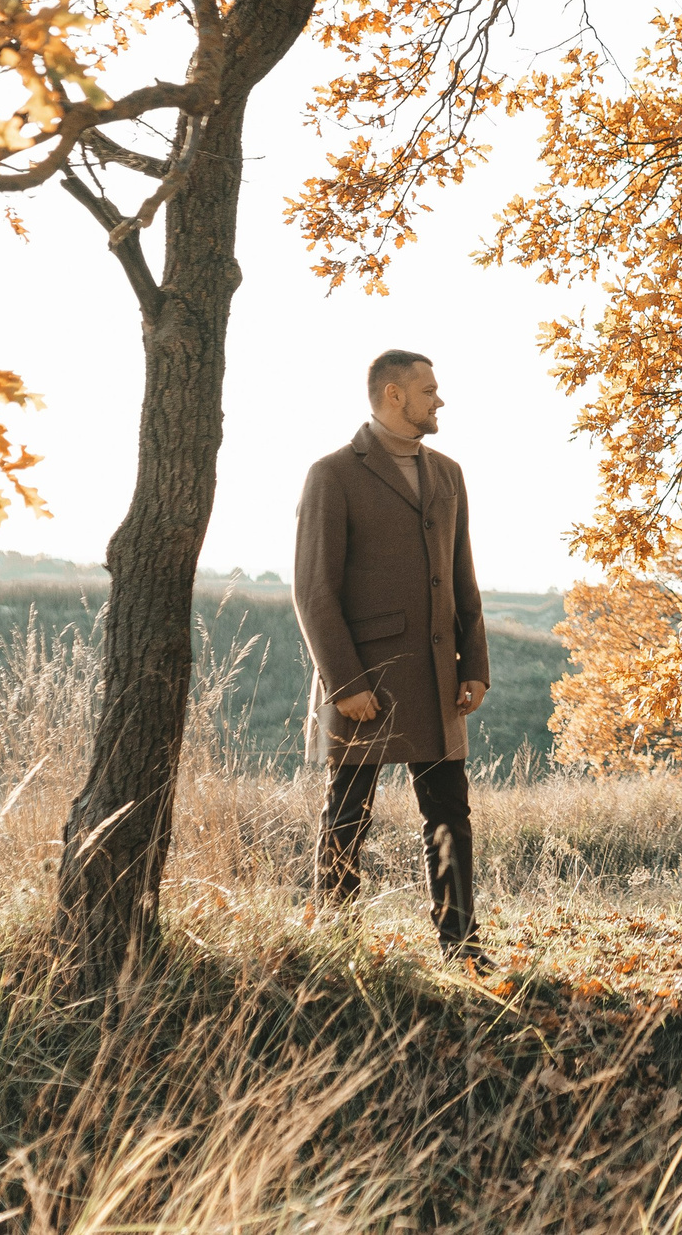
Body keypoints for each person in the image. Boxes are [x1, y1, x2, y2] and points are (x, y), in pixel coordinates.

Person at [293, 348, 491, 961]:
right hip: (365, 682)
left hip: (437, 679)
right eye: (429, 390)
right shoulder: (333, 474)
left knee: (449, 815)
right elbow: (313, 588)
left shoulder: (449, 473)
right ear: (394, 395)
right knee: (348, 814)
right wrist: (343, 681)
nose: (440, 400)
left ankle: (460, 944)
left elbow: (463, 576)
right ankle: (337, 941)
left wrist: (475, 665)